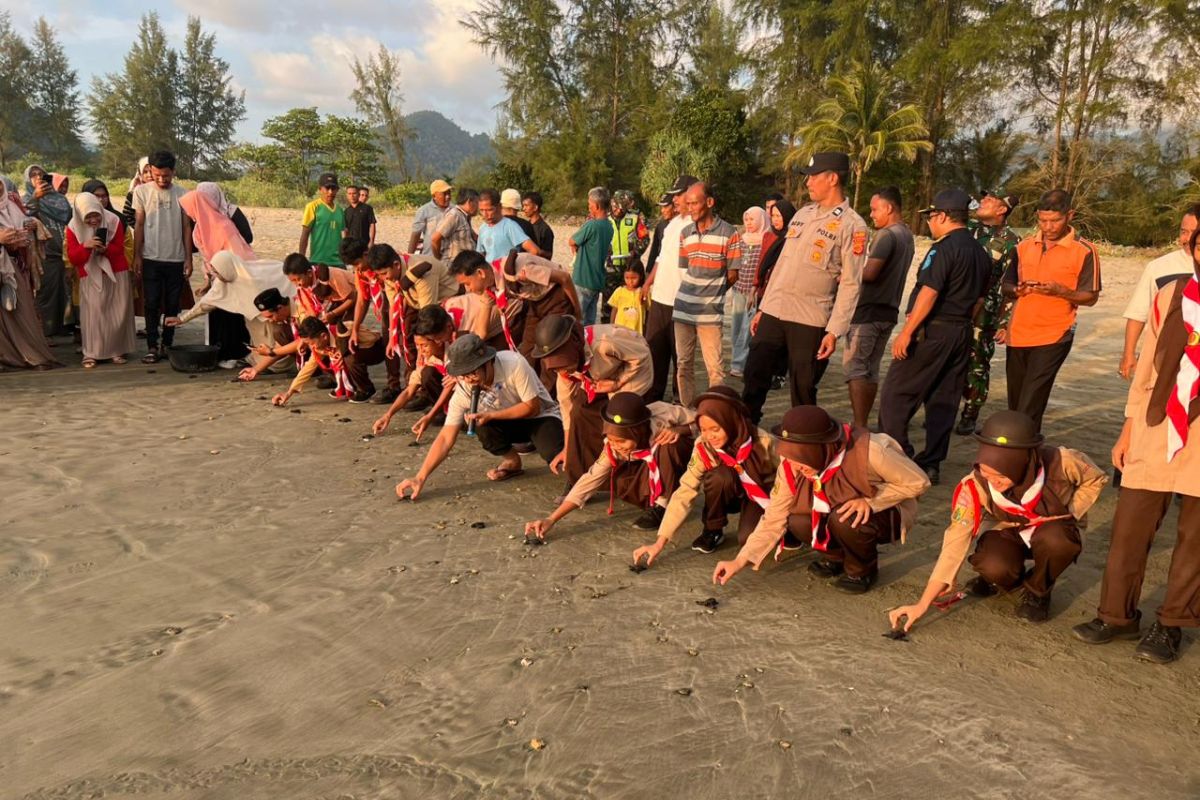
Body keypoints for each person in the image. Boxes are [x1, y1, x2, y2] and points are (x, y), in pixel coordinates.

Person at [1074, 247, 1200, 664]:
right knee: (1130, 526)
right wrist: (1128, 428)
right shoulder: (1174, 292)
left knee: (1194, 538)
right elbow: (1148, 362)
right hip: (1155, 417)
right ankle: (1117, 615)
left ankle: (1172, 625)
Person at [890, 411, 1106, 630]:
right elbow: (955, 542)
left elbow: (1096, 478)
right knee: (994, 565)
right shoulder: (974, 486)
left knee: (1058, 540)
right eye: (986, 472)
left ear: (1024, 463)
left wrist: (1071, 511)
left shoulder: (1063, 462)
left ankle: (1038, 590)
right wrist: (922, 603)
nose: (993, 481)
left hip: (1054, 528)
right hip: (1007, 528)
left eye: (1002, 476)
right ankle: (1003, 580)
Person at [711, 405, 929, 593]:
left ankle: (862, 570)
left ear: (818, 448)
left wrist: (871, 502)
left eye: (801, 458)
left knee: (845, 517)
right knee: (797, 519)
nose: (795, 466)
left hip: (883, 511)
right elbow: (775, 515)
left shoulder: (870, 450)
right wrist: (739, 561)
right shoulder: (791, 464)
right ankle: (835, 557)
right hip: (834, 508)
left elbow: (919, 481)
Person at [741, 153, 867, 421]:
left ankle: (803, 444)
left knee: (802, 386)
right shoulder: (801, 215)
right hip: (775, 309)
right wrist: (763, 308)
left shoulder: (853, 225)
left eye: (813, 176)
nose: (808, 182)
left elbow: (850, 283)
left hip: (810, 316)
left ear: (832, 178)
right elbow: (782, 266)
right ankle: (744, 435)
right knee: (754, 373)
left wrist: (834, 330)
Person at [877, 189, 991, 485]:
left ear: (942, 215)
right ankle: (931, 462)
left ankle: (897, 456)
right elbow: (979, 301)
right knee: (944, 399)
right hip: (961, 330)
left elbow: (930, 292)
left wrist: (908, 332)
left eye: (930, 217)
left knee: (896, 396)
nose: (929, 223)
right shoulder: (981, 252)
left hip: (934, 329)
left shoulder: (943, 248)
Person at [395, 333, 565, 498]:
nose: (468, 379)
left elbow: (532, 407)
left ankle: (580, 479)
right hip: (505, 422)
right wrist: (420, 477)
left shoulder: (513, 364)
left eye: (473, 372)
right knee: (479, 424)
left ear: (489, 362)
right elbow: (446, 438)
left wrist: (492, 415)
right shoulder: (463, 388)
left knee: (555, 456)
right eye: (462, 374)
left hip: (541, 417)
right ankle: (512, 461)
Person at [523, 392, 695, 539]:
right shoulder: (612, 447)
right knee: (618, 479)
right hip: (645, 468)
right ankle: (650, 497)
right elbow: (590, 480)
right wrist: (551, 519)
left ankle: (662, 505)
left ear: (638, 431)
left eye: (621, 440)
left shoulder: (664, 413)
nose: (615, 445)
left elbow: (704, 421)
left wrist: (680, 431)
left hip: (679, 464)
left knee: (670, 446)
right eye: (611, 439)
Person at [632, 386, 777, 560]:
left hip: (764, 495)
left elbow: (789, 481)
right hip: (730, 492)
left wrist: (779, 516)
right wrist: (659, 542)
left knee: (748, 540)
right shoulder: (703, 446)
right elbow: (685, 491)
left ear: (731, 421)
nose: (709, 436)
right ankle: (713, 530)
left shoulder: (764, 442)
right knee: (719, 476)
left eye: (715, 429)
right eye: (704, 429)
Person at [1002, 189, 1101, 431]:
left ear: (1070, 215)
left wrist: (1060, 291)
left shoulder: (1085, 251)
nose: (1048, 227)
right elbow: (1006, 285)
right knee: (1015, 404)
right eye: (1043, 220)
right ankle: (1017, 452)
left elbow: (1090, 297)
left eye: (1055, 220)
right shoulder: (1023, 246)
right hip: (1018, 334)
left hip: (1055, 335)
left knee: (1030, 404)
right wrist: (1018, 290)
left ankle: (1025, 456)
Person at [529, 314, 654, 486]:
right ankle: (579, 477)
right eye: (558, 367)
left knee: (618, 420)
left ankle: (629, 477)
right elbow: (566, 407)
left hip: (632, 370)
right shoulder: (564, 368)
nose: (562, 371)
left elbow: (641, 356)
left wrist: (618, 383)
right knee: (579, 413)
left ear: (574, 342)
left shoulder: (605, 343)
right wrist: (567, 447)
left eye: (563, 363)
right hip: (599, 377)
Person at [844, 186, 914, 428]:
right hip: (888, 311)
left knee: (855, 368)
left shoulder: (886, 235)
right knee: (870, 369)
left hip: (869, 311)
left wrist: (845, 273)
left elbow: (871, 273)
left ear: (889, 208)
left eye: (875, 209)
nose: (871, 214)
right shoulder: (907, 235)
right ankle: (863, 422)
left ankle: (859, 424)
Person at [955, 191, 1022, 435]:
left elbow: (1011, 286)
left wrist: (1005, 323)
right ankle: (943, 407)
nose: (982, 202)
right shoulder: (965, 228)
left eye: (989, 200)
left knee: (977, 363)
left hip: (985, 313)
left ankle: (969, 414)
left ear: (1002, 209)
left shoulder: (1012, 242)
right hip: (955, 305)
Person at [674, 181, 741, 407]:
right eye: (688, 204)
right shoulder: (685, 234)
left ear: (709, 202)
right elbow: (687, 270)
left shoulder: (730, 234)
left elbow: (733, 274)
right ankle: (688, 411)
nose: (690, 208)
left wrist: (713, 292)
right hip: (683, 309)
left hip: (711, 313)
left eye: (694, 203)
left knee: (716, 368)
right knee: (684, 364)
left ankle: (715, 412)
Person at [177, 183, 258, 367]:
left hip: (234, 276)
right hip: (218, 277)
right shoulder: (200, 227)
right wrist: (208, 279)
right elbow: (208, 256)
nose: (188, 213)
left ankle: (235, 353)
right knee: (218, 315)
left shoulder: (223, 225)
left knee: (232, 316)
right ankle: (220, 352)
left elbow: (238, 252)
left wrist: (224, 274)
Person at [1117, 206, 1199, 381]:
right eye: (1183, 232)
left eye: (1194, 232)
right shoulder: (1159, 267)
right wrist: (1129, 353)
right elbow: (1137, 313)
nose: (1187, 239)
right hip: (1163, 355)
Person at [132, 150, 192, 364]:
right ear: (150, 171)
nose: (161, 179)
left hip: (175, 259)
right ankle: (151, 345)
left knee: (172, 304)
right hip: (150, 258)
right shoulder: (141, 192)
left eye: (165, 175)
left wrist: (188, 258)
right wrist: (137, 256)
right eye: (156, 175)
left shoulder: (183, 194)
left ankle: (167, 344)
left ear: (173, 172)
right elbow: (139, 224)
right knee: (151, 302)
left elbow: (186, 227)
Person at [64, 193, 135, 368]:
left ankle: (116, 350)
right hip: (89, 273)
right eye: (88, 217)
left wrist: (105, 249)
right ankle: (91, 353)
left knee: (117, 313)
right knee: (93, 314)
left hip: (116, 271)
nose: (94, 220)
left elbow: (119, 249)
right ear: (80, 214)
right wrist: (86, 247)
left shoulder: (113, 221)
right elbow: (73, 258)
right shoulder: (73, 227)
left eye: (96, 215)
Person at [642, 176, 696, 402]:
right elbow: (660, 259)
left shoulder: (697, 225)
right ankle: (653, 397)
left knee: (681, 356)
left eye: (678, 195)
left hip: (682, 300)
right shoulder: (672, 224)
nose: (675, 199)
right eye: (673, 195)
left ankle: (681, 401)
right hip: (660, 298)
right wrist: (647, 283)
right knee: (655, 348)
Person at [372, 305, 458, 437]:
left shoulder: (455, 346)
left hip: (465, 388)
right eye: (417, 346)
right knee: (426, 374)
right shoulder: (425, 356)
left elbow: (450, 385)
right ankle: (442, 411)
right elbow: (408, 391)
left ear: (438, 341)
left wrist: (430, 416)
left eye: (424, 345)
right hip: (449, 386)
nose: (421, 350)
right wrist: (388, 415)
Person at [0, 177, 58, 369]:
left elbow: (24, 223)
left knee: (20, 311)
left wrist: (28, 230)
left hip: (13, 267)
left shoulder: (11, 205)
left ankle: (29, 354)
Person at [270, 315, 388, 406]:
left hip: (375, 350)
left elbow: (374, 338)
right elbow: (308, 368)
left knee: (349, 356)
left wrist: (347, 349)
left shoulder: (346, 328)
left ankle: (366, 390)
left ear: (324, 336)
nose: (311, 347)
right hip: (352, 356)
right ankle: (343, 383)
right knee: (332, 360)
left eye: (310, 343)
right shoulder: (319, 345)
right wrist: (289, 392)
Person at [23, 164, 72, 338]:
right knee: (45, 295)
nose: (37, 177)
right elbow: (23, 218)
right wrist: (35, 198)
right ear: (28, 180)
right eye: (33, 175)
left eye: (41, 174)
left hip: (64, 253)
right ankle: (44, 333)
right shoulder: (27, 199)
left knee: (64, 294)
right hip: (44, 255)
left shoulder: (60, 199)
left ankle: (61, 328)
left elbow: (68, 218)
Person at [501, 252, 581, 357]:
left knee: (553, 339)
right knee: (529, 341)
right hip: (536, 302)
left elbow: (565, 278)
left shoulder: (528, 271)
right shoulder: (502, 272)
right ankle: (530, 368)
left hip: (556, 296)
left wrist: (576, 307)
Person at [447, 250, 519, 351]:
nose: (468, 290)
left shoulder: (511, 267)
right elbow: (482, 332)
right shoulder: (487, 291)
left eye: (467, 284)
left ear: (480, 273)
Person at [729, 206, 766, 378]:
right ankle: (739, 360)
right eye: (747, 220)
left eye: (752, 220)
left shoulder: (766, 240)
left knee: (746, 329)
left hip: (753, 291)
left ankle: (739, 365)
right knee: (736, 328)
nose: (749, 223)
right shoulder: (741, 239)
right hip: (738, 289)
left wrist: (756, 289)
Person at [569, 187, 613, 325]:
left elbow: (572, 241)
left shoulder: (592, 225)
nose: (589, 207)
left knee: (576, 319)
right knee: (590, 321)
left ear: (597, 206)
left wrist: (575, 247)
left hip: (583, 278)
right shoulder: (609, 226)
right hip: (597, 280)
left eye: (590, 204)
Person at [476, 188, 538, 263]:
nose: (485, 214)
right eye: (481, 210)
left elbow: (534, 251)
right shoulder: (483, 228)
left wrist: (517, 268)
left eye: (489, 210)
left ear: (499, 206)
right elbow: (481, 254)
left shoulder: (510, 226)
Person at [299, 172, 345, 267]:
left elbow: (343, 236)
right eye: (327, 188)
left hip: (338, 262)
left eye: (333, 189)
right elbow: (305, 234)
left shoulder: (340, 210)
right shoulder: (312, 207)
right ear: (320, 189)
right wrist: (301, 258)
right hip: (318, 261)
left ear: (337, 190)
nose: (330, 192)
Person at [431, 188, 478, 262]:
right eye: (477, 203)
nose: (478, 207)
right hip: (453, 264)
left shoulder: (465, 217)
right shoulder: (454, 215)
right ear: (469, 202)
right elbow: (435, 239)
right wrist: (439, 258)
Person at [641, 193, 674, 291]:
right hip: (660, 270)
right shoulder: (661, 226)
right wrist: (648, 271)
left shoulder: (685, 226)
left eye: (665, 207)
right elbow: (655, 250)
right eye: (661, 207)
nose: (662, 211)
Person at [411, 180, 452, 255]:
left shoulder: (454, 210)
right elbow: (416, 235)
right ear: (434, 196)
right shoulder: (424, 211)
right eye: (444, 194)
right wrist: (409, 256)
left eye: (449, 193)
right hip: (430, 257)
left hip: (450, 257)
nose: (448, 197)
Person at [607, 264, 647, 334]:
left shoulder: (643, 292)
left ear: (640, 276)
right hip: (619, 330)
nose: (630, 281)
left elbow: (648, 311)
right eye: (627, 278)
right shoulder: (619, 291)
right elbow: (614, 310)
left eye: (634, 278)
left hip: (636, 332)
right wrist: (611, 325)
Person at [521, 191, 555, 259]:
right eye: (523, 206)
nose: (523, 208)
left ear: (535, 207)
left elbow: (549, 254)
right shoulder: (525, 225)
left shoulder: (545, 229)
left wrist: (536, 251)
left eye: (526, 205)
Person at [344, 185, 377, 249]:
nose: (352, 196)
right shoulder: (346, 211)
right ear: (347, 195)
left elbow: (372, 225)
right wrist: (345, 243)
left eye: (354, 193)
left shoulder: (367, 208)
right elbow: (345, 229)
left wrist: (371, 241)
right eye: (349, 194)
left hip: (365, 243)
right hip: (351, 244)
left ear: (358, 195)